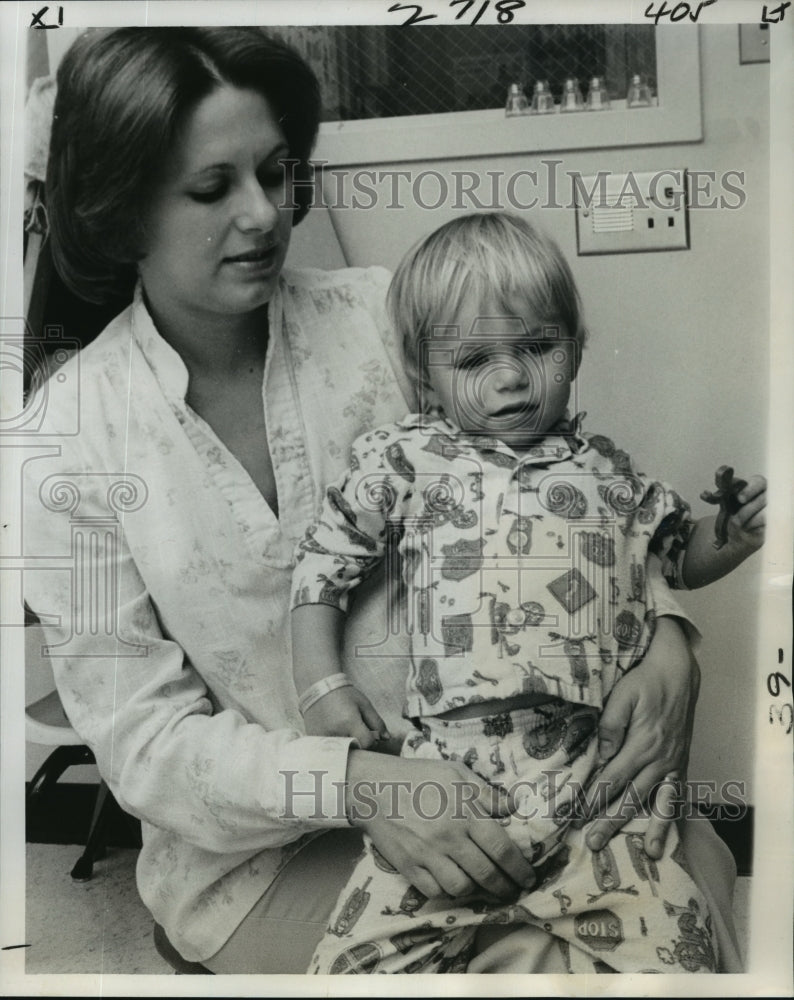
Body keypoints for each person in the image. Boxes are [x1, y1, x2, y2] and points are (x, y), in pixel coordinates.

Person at [23, 27, 741, 975]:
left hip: (511, 774)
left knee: (697, 864)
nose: (266, 215)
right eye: (213, 188)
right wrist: (365, 786)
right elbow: (147, 746)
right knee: (534, 962)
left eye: (278, 173)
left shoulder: (381, 318)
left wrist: (668, 636)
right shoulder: (64, 440)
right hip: (257, 854)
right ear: (120, 213)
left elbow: (561, 492)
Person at [290, 213, 766, 974]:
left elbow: (675, 556)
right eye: (475, 358)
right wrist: (322, 686)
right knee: (347, 967)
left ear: (575, 346)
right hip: (450, 779)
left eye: (539, 347)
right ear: (424, 372)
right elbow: (322, 567)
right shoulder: (407, 460)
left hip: (593, 784)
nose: (511, 377)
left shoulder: (611, 473)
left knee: (684, 952)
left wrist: (729, 537)